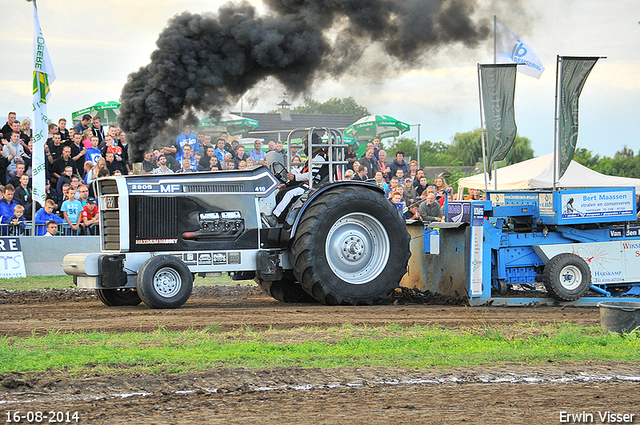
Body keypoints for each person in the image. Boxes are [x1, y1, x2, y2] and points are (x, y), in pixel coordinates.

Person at [267, 133, 329, 225]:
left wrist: (295, 177)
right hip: (305, 184)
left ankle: (274, 217)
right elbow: (304, 174)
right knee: (280, 192)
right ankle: (277, 218)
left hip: (312, 186)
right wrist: (288, 184)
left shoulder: (320, 157)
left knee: (290, 194)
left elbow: (310, 175)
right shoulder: (313, 157)